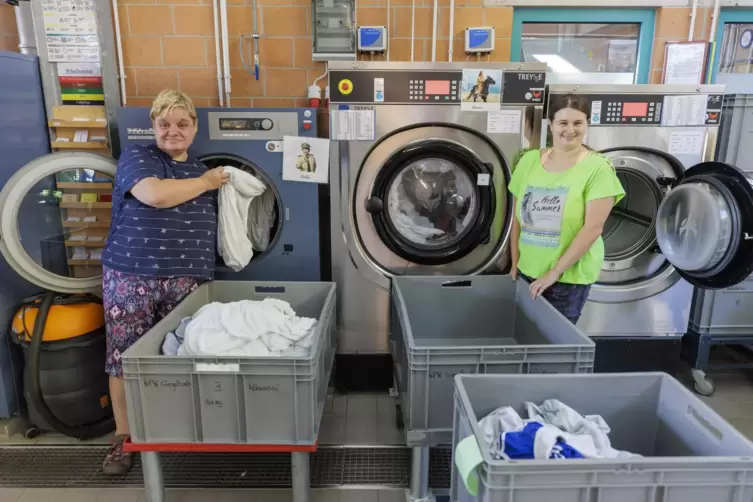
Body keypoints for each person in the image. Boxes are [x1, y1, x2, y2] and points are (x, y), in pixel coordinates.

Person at [99, 89, 229, 475]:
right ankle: (125, 441)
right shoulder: (138, 157)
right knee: (124, 359)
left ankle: (176, 431)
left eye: (182, 124)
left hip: (186, 280)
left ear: (194, 128)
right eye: (165, 124)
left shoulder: (202, 168)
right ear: (153, 126)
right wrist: (206, 183)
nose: (173, 131)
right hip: (131, 275)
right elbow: (153, 195)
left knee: (181, 354)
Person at [507, 93, 625, 324]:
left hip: (567, 280)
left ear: (587, 124)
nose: (570, 130)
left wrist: (554, 273)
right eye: (563, 122)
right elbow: (517, 217)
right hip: (526, 270)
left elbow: (593, 228)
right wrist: (514, 263)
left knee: (553, 349)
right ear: (551, 125)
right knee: (525, 339)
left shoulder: (598, 169)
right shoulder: (530, 161)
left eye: (578, 123)